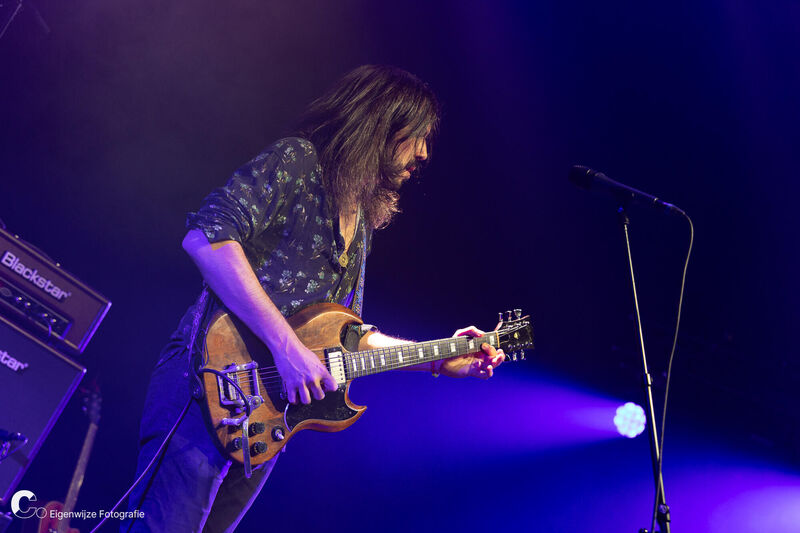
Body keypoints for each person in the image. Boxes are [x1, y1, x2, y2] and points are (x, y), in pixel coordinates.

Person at [122, 65, 505, 533]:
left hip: (266, 418)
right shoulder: (298, 161)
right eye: (418, 136)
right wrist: (287, 349)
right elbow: (206, 238)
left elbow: (349, 338)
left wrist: (441, 357)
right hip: (207, 383)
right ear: (382, 125)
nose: (424, 152)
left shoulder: (360, 222)